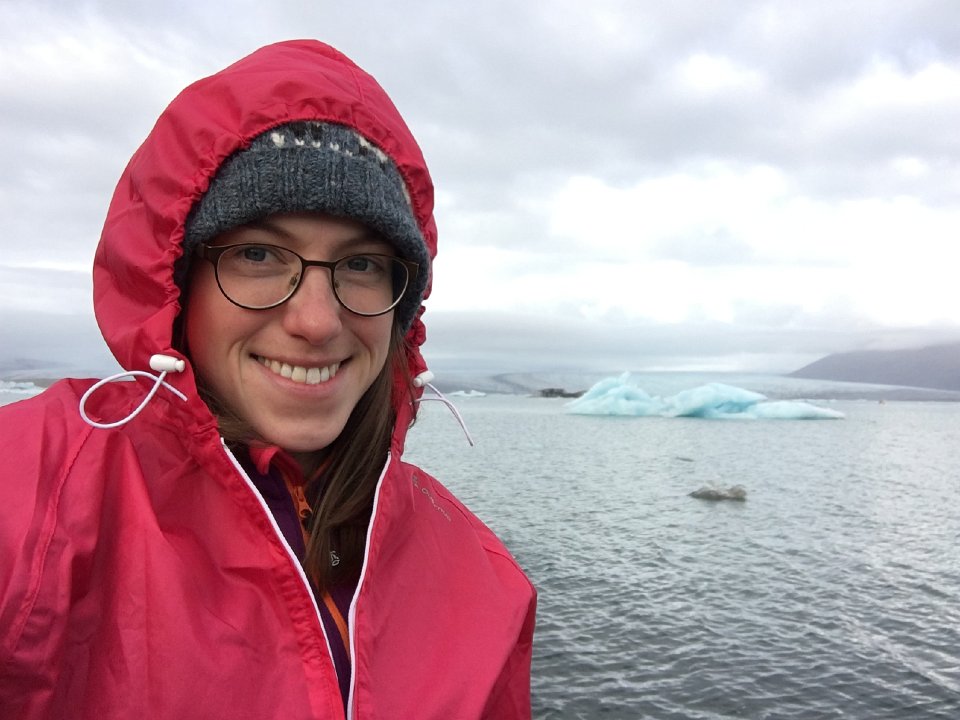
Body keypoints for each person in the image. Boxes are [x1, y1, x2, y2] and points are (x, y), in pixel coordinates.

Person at [0, 40, 536, 719]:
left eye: (362, 265)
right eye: (258, 254)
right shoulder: (32, 493)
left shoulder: (481, 577)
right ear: (178, 282)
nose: (317, 321)